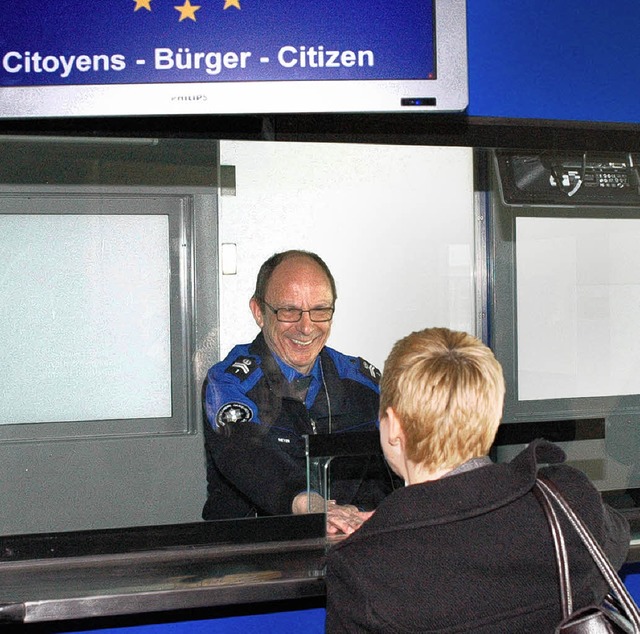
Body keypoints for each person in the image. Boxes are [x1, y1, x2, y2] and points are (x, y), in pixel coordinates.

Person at [325, 327, 630, 633]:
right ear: (493, 417)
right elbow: (613, 540)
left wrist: (392, 526)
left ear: (393, 426)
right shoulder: (565, 502)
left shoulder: (363, 567)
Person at [202, 250, 396, 534]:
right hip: (254, 552)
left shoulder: (360, 381)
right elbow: (246, 455)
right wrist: (310, 505)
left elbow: (408, 450)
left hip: (350, 549)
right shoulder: (230, 383)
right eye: (289, 311)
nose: (306, 328)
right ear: (259, 312)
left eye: (320, 310)